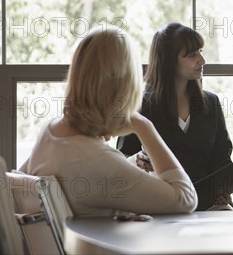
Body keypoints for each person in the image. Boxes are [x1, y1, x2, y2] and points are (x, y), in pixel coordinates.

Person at [20, 28, 198, 216]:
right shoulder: (97, 161)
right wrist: (144, 127)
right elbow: (185, 198)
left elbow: (21, 178)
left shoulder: (49, 132)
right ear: (125, 84)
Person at [117, 22, 233, 210]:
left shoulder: (210, 103)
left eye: (201, 51)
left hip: (209, 204)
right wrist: (136, 160)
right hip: (160, 203)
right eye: (192, 55)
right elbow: (124, 156)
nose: (202, 60)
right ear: (169, 61)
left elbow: (222, 156)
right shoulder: (140, 105)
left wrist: (222, 190)